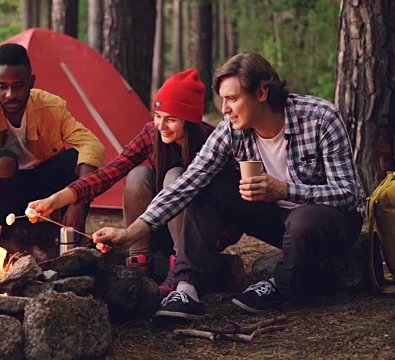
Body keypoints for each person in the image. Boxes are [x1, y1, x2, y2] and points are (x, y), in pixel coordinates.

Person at [91, 52, 365, 320]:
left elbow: (349, 194)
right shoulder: (232, 128)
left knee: (304, 217)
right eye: (223, 100)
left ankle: (282, 285)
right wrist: (131, 233)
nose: (224, 109)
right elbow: (188, 182)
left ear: (261, 92)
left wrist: (285, 190)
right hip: (276, 220)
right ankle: (188, 287)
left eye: (232, 99)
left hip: (328, 222)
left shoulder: (320, 117)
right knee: (204, 184)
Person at [28, 68, 240, 294]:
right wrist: (56, 199)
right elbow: (112, 171)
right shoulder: (152, 134)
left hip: (201, 234)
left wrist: (212, 244)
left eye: (171, 119)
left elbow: (232, 207)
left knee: (175, 176)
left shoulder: (211, 142)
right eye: (158, 116)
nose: (161, 125)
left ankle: (181, 267)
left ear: (190, 121)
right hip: (156, 226)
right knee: (138, 175)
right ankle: (140, 260)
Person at [0, 43, 105, 241]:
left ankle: (70, 233)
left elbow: (92, 145)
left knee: (79, 158)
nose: (10, 95)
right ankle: (3, 236)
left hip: (42, 190)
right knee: (4, 162)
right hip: (2, 189)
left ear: (31, 82)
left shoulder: (51, 106)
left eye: (18, 85)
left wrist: (77, 202)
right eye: (2, 86)